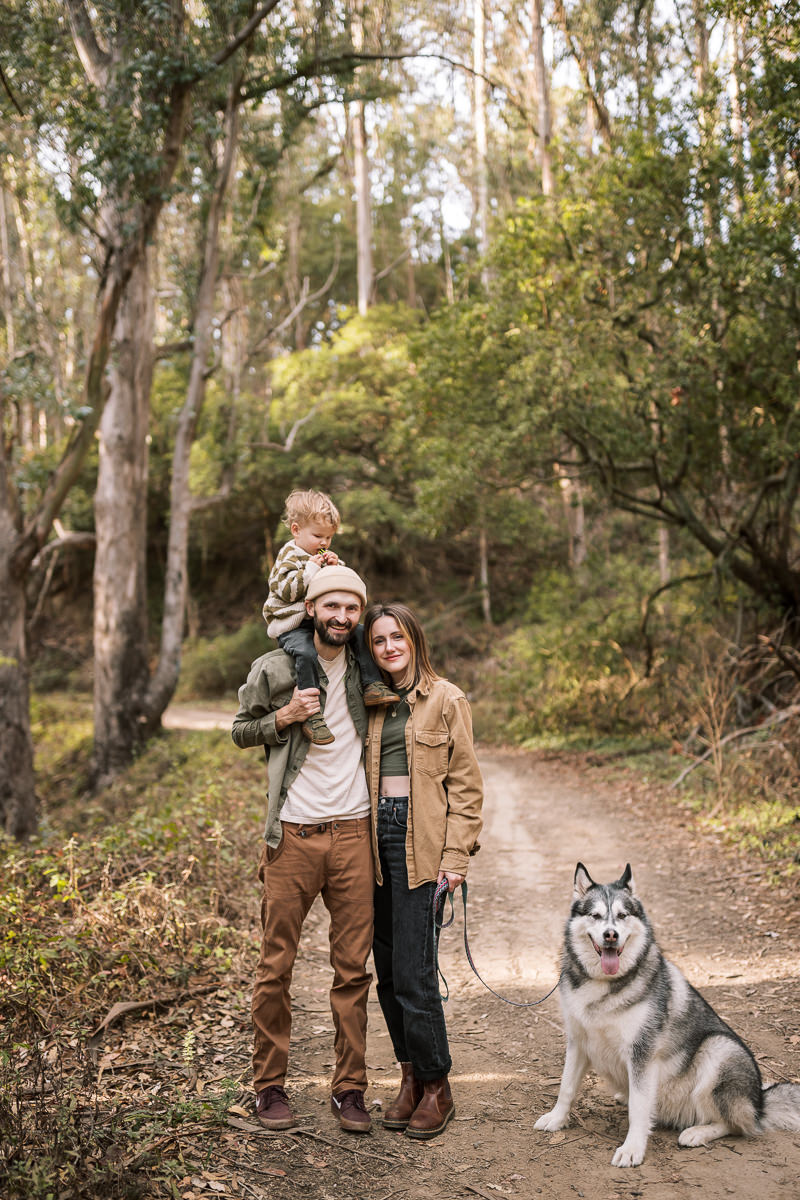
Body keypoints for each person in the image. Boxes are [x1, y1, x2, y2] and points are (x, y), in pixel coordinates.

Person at [232, 566, 379, 1135]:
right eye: (331, 607)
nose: (341, 617)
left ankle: (351, 1091)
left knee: (352, 971)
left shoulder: (367, 668)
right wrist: (284, 717)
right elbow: (241, 729)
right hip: (291, 835)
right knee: (276, 968)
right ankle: (269, 1086)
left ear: (358, 614)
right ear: (313, 609)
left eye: (351, 609)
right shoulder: (274, 667)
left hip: (353, 836)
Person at [362, 602, 484, 1140]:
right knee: (387, 973)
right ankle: (408, 1077)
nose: (389, 647)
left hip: (423, 845)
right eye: (379, 640)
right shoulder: (370, 702)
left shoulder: (446, 698)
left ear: (415, 639)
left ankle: (437, 1086)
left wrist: (456, 858)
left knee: (415, 973)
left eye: (397, 637)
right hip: (372, 844)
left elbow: (466, 786)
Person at [262, 489, 398, 744]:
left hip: (317, 620)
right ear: (295, 530)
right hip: (291, 623)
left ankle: (372, 685)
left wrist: (337, 567)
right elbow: (287, 590)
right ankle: (312, 715)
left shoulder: (320, 556)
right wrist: (313, 568)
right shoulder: (289, 556)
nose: (324, 543)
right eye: (317, 536)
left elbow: (342, 586)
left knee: (360, 632)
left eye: (329, 537)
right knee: (305, 652)